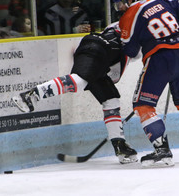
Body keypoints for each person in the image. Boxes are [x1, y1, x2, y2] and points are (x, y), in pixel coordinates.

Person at [113, 0, 179, 166]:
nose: (119, 8)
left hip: (160, 61)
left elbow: (131, 52)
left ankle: (161, 149)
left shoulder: (128, 16)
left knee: (143, 105)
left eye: (119, 3)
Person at [12, 22, 138, 164]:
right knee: (79, 81)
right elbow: (117, 73)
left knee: (111, 99)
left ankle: (119, 145)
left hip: (100, 54)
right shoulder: (140, 40)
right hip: (97, 48)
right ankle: (31, 95)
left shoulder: (130, 25)